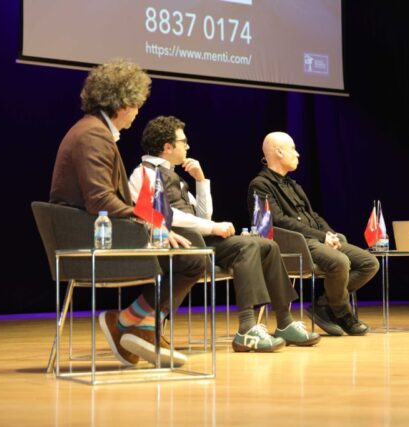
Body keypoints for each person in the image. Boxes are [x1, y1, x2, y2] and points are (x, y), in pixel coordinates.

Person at [49, 59, 202, 367]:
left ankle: (135, 323)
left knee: (189, 248)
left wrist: (152, 223)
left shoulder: (93, 131)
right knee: (191, 257)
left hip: (94, 229)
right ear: (121, 105)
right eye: (136, 105)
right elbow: (100, 200)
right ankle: (130, 322)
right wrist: (150, 222)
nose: (137, 112)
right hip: (89, 237)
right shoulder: (93, 135)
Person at [129, 116, 320, 352]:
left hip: (199, 240)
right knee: (248, 246)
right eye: (183, 142)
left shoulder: (174, 176)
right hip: (180, 245)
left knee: (267, 245)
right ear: (167, 147)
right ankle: (247, 327)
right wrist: (213, 227)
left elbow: (203, 214)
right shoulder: (144, 173)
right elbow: (161, 216)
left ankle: (285, 321)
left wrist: (200, 181)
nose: (187, 146)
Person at [248, 132, 380, 336]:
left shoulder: (293, 184)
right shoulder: (260, 185)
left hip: (315, 240)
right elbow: (276, 222)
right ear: (279, 152)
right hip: (294, 244)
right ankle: (343, 313)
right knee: (340, 262)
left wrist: (329, 234)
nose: (297, 154)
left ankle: (324, 303)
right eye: (293, 149)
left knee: (369, 263)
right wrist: (321, 237)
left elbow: (312, 215)